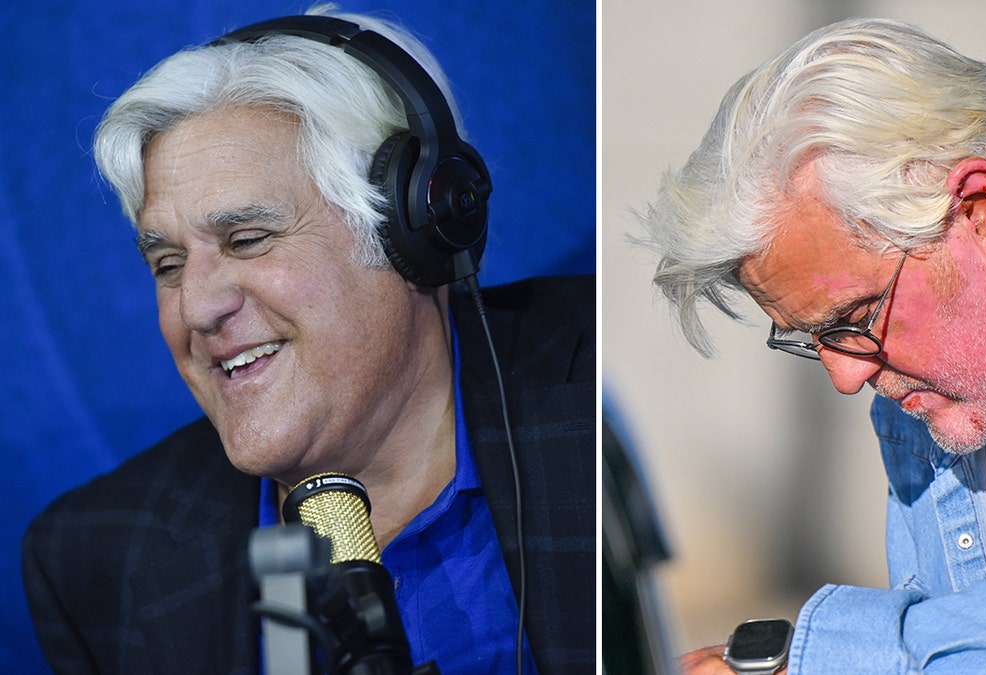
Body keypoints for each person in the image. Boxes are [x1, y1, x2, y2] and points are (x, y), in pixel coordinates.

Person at [21, 6, 594, 674]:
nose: (198, 308)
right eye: (168, 265)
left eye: (248, 239)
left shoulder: (593, 375)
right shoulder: (93, 558)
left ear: (414, 230)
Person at [639, 17, 986, 673]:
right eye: (816, 336)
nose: (847, 377)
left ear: (982, 206)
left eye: (856, 315)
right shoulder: (925, 391)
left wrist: (818, 662)